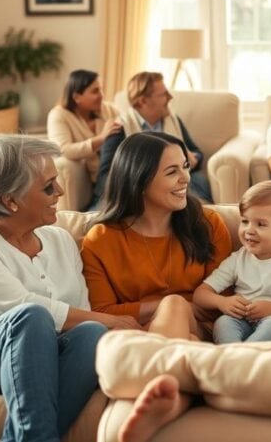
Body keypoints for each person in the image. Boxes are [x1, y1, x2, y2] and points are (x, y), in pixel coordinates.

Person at [0, 135, 139, 442]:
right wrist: (111, 320)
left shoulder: (60, 241)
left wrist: (105, 324)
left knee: (91, 334)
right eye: (48, 186)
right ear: (9, 200)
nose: (60, 191)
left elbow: (82, 315)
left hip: (46, 359)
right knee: (30, 316)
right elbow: (18, 307)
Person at [81, 131, 232, 340]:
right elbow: (103, 312)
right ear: (140, 182)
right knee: (184, 334)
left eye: (185, 166)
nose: (186, 178)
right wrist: (163, 307)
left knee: (174, 306)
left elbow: (222, 300)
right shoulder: (101, 240)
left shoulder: (208, 223)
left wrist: (172, 307)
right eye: (172, 172)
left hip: (201, 327)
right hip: (143, 334)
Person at [193, 180, 271, 343]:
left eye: (261, 224)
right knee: (223, 321)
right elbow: (200, 294)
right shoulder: (238, 259)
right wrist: (222, 302)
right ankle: (235, 358)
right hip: (243, 323)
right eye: (245, 221)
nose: (249, 230)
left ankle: (242, 360)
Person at [104, 71, 212, 203]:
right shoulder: (119, 128)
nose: (170, 97)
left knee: (199, 183)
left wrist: (193, 158)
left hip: (175, 179)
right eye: (163, 94)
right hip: (136, 187)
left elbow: (196, 153)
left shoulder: (173, 120)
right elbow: (106, 175)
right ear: (143, 101)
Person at [46, 69, 123, 210]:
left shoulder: (109, 110)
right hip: (95, 179)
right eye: (95, 91)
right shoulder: (58, 115)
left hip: (116, 172)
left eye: (101, 90)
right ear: (76, 96)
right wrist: (102, 138)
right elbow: (63, 150)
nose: (102, 95)